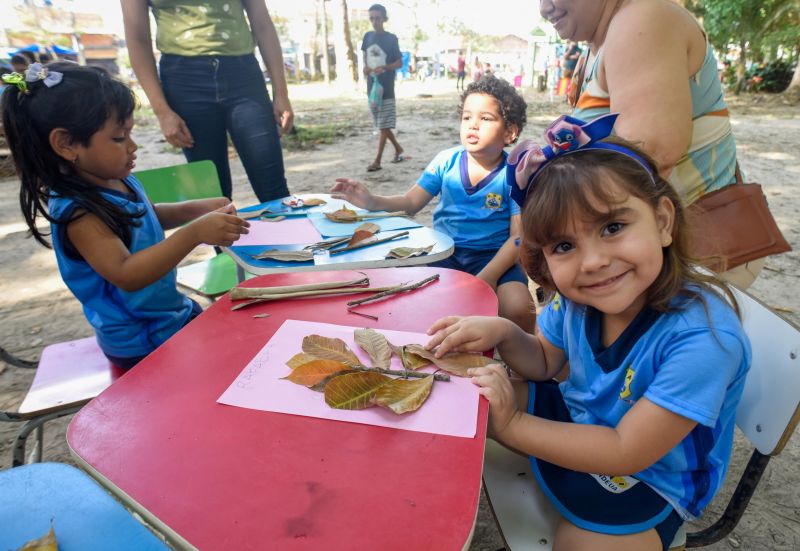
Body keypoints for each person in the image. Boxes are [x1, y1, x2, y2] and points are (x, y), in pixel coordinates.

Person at [426, 114, 750, 550]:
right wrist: (503, 332)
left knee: (584, 544)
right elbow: (543, 362)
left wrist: (514, 424)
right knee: (461, 395)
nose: (593, 261)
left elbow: (625, 450)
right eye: (564, 246)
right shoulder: (581, 299)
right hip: (581, 419)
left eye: (613, 227)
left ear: (663, 222)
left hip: (651, 477)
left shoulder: (704, 338)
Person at [0, 63, 250, 369]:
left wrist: (196, 208)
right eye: (119, 138)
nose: (133, 146)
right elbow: (126, 273)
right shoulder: (79, 212)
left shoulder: (115, 177)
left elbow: (143, 216)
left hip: (171, 316)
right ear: (66, 144)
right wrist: (194, 233)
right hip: (140, 342)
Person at [538, 0, 765, 288]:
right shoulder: (596, 45)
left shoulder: (641, 19)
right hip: (651, 256)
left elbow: (649, 156)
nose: (545, 9)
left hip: (691, 258)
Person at [332, 76, 535, 332]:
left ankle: (524, 368)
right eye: (466, 117)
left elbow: (518, 238)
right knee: (410, 295)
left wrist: (489, 276)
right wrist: (372, 201)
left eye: (485, 118)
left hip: (496, 259)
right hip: (444, 254)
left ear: (510, 132)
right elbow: (410, 203)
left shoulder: (513, 174)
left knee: (518, 307)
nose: (473, 125)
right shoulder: (445, 161)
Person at [121, 0, 293, 203]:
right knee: (212, 196)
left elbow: (263, 24)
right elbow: (137, 38)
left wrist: (281, 93)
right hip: (184, 80)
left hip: (242, 74)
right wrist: (162, 111)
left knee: (273, 188)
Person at [361, 3, 405, 172]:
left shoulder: (391, 39)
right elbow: (365, 56)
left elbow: (399, 62)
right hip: (371, 88)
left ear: (384, 18)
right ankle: (398, 149)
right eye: (371, 18)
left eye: (378, 18)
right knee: (382, 125)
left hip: (386, 87)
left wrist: (385, 68)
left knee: (383, 126)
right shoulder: (367, 37)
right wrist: (365, 68)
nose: (374, 21)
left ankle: (377, 161)